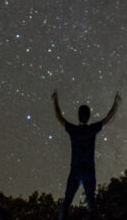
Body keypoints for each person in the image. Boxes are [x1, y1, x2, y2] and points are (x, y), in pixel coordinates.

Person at [52, 90, 120, 219]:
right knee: (91, 202)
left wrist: (55, 100)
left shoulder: (73, 130)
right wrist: (115, 104)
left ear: (78, 116)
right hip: (89, 170)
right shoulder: (92, 129)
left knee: (67, 202)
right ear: (88, 116)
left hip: (76, 170)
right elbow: (108, 118)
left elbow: (59, 117)